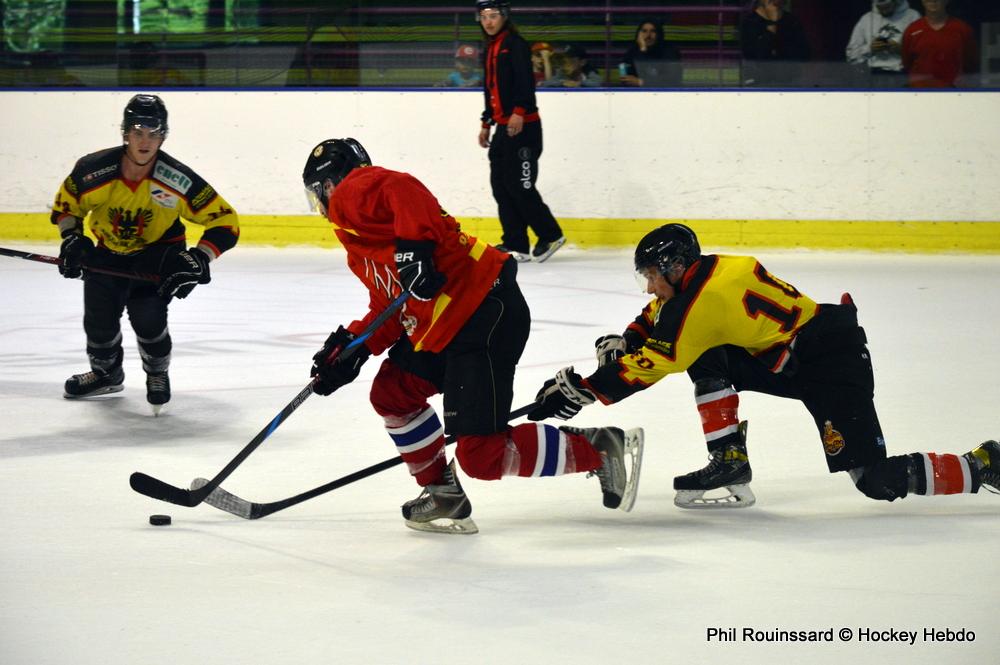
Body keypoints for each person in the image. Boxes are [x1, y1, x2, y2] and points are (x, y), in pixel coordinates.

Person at [301, 138, 643, 535]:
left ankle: (599, 448)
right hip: (446, 326)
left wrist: (414, 249)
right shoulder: (358, 242)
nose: (319, 206)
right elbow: (393, 306)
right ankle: (442, 492)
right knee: (392, 392)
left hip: (483, 313)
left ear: (330, 184)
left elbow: (400, 187)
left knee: (482, 456)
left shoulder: (355, 192)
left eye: (316, 194)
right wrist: (355, 347)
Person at [527, 223, 999, 510]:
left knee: (874, 481)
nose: (649, 287)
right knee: (709, 357)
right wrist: (628, 338)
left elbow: (655, 362)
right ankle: (729, 461)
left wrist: (582, 391)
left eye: (652, 276)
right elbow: (659, 316)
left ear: (675, 266)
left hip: (832, 365)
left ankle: (982, 464)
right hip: (795, 355)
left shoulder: (702, 302)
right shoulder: (710, 270)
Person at [50, 94, 239, 414]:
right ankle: (106, 374)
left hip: (158, 254)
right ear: (125, 133)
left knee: (148, 317)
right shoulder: (94, 170)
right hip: (107, 252)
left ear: (163, 137)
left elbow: (225, 221)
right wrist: (72, 238)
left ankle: (157, 373)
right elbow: (68, 206)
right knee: (98, 320)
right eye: (138, 132)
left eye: (154, 133)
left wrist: (200, 257)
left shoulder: (176, 179)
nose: (145, 141)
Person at [476, 0, 566, 263]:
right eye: (484, 16)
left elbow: (525, 81)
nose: (488, 21)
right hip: (502, 127)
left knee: (519, 185)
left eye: (493, 15)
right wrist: (486, 122)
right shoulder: (490, 48)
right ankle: (516, 243)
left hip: (523, 126)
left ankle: (550, 234)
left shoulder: (515, 44)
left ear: (504, 17)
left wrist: (519, 111)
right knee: (501, 186)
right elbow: (490, 89)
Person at [902, 0, 978, 88]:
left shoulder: (962, 29)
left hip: (953, 90)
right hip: (919, 90)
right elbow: (907, 63)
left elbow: (971, 63)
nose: (933, 0)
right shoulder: (912, 30)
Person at [846, 0, 921, 86]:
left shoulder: (912, 16)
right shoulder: (866, 19)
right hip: (875, 77)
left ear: (896, 2)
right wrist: (870, 49)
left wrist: (901, 50)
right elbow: (851, 56)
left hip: (904, 76)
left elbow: (923, 53)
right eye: (881, 8)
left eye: (887, 7)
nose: (884, 11)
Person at [740, 0, 810, 87]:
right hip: (760, 83)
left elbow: (804, 54)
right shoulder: (749, 22)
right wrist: (771, 27)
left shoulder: (791, 21)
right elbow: (754, 57)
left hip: (789, 82)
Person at [619, 19, 681, 87]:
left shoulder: (670, 51)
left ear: (659, 34)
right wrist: (642, 50)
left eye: (653, 31)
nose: (648, 35)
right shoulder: (632, 51)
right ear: (638, 34)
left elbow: (672, 81)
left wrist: (641, 82)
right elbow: (626, 78)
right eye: (644, 31)